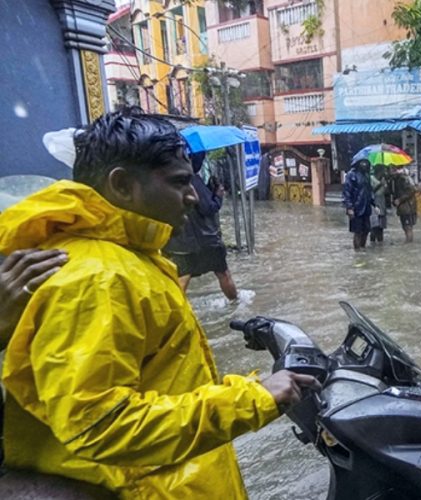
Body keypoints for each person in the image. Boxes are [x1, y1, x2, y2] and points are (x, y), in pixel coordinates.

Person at [0, 109, 319, 498]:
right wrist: (253, 398)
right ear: (122, 185)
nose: (191, 195)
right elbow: (100, 424)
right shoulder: (99, 278)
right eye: (180, 182)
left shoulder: (131, 256)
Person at [163, 152, 238, 300]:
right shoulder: (194, 181)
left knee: (182, 277)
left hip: (179, 243)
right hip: (206, 240)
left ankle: (175, 311)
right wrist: (218, 195)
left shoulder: (167, 182)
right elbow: (208, 208)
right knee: (223, 273)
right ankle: (235, 302)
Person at [343, 158, 374, 250]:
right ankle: (357, 250)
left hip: (366, 208)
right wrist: (349, 207)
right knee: (357, 231)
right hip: (356, 208)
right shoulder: (351, 175)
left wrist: (374, 204)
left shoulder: (366, 175)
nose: (364, 164)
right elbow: (347, 192)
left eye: (366, 163)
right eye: (362, 162)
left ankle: (362, 247)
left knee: (366, 229)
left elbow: (369, 191)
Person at [391, 169, 418, 243]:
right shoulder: (397, 180)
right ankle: (408, 242)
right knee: (406, 227)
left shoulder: (403, 179)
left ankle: (408, 244)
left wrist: (400, 200)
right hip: (405, 207)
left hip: (407, 207)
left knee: (407, 227)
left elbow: (412, 190)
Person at [370, 164, 389, 245]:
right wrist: (380, 184)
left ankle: (380, 245)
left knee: (381, 227)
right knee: (374, 227)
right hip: (374, 205)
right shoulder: (371, 179)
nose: (384, 172)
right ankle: (373, 244)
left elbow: (387, 193)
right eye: (383, 170)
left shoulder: (383, 180)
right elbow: (371, 191)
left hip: (382, 205)